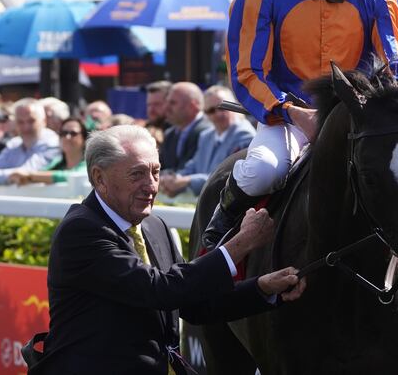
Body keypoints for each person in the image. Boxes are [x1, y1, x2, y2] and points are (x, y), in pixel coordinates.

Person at [206, 0, 398, 244]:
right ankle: (218, 236)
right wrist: (292, 112)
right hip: (286, 116)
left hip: (358, 118)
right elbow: (248, 71)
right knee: (265, 170)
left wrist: (381, 110)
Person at [25, 125, 304, 374]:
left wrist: (262, 289)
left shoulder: (154, 225)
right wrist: (239, 245)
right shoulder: (81, 231)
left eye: (156, 172)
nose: (151, 186)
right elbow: (159, 290)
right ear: (99, 178)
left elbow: (193, 304)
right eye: (137, 174)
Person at [160, 86, 256, 197]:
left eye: (223, 107)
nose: (218, 114)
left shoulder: (245, 136)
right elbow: (193, 166)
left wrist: (187, 181)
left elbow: (226, 177)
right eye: (211, 111)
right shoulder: (206, 136)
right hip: (206, 201)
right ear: (205, 113)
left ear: (234, 106)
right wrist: (174, 179)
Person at [0, 98, 60, 184]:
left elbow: (26, 173)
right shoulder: (14, 144)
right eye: (20, 122)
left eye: (31, 121)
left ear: (44, 121)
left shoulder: (52, 143)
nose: (26, 127)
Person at [8, 117, 88, 185]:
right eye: (63, 133)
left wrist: (30, 175)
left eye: (73, 133)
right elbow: (41, 172)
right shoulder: (56, 162)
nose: (67, 137)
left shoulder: (89, 165)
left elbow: (73, 176)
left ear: (84, 139)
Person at [160, 82, 212, 172]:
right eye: (167, 102)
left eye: (173, 103)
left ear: (193, 106)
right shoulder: (170, 134)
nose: (166, 108)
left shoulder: (207, 133)